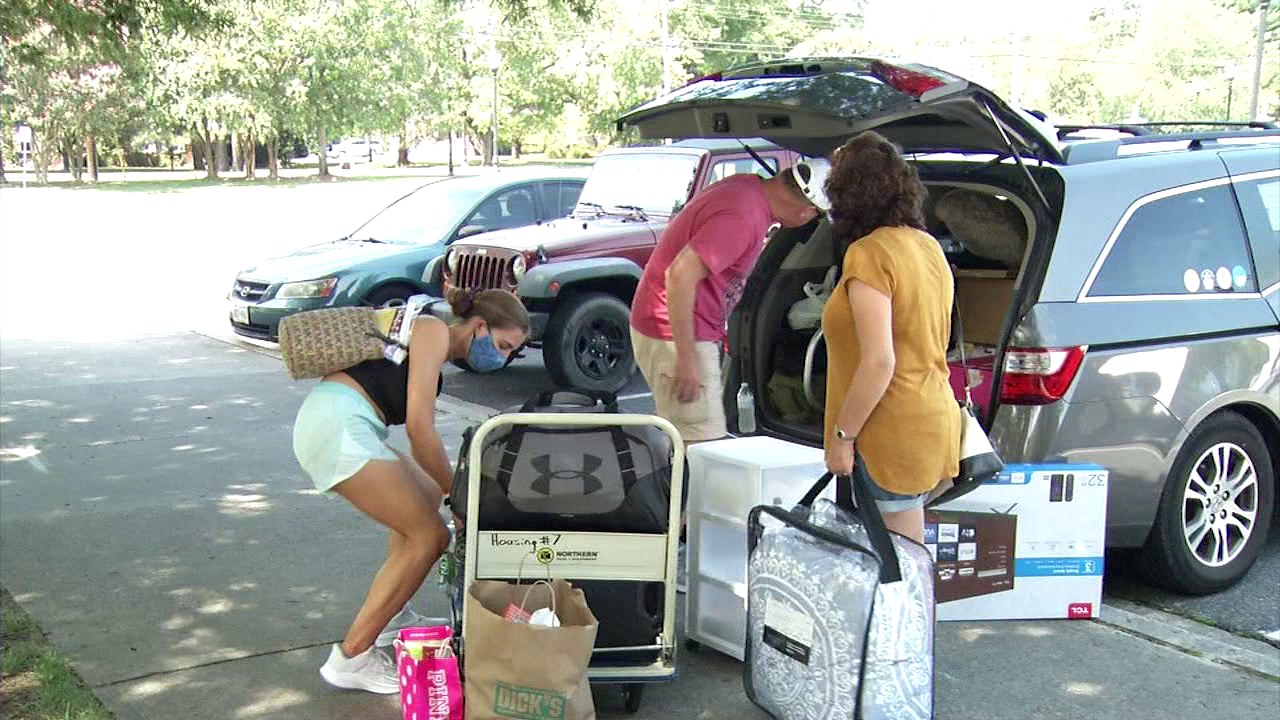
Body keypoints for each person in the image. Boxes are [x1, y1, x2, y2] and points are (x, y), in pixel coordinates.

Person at [292, 288, 529, 693]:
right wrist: (460, 494)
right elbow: (421, 432)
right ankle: (352, 657)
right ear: (480, 326)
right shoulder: (432, 330)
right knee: (430, 537)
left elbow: (422, 448)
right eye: (503, 345)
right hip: (337, 428)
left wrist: (446, 491)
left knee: (425, 495)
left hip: (347, 424)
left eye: (512, 353)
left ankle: (394, 615)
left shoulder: (431, 338)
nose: (502, 358)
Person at [815, 131, 962, 544]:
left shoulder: (869, 254)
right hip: (932, 415)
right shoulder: (927, 246)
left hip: (889, 430)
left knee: (901, 576)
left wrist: (843, 437)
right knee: (902, 562)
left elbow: (880, 360)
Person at [630, 165, 825, 445]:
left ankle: (673, 486)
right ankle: (684, 490)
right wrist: (686, 360)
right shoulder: (742, 217)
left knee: (682, 438)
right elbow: (679, 276)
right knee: (700, 447)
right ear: (808, 210)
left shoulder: (746, 188)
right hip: (676, 334)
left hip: (675, 328)